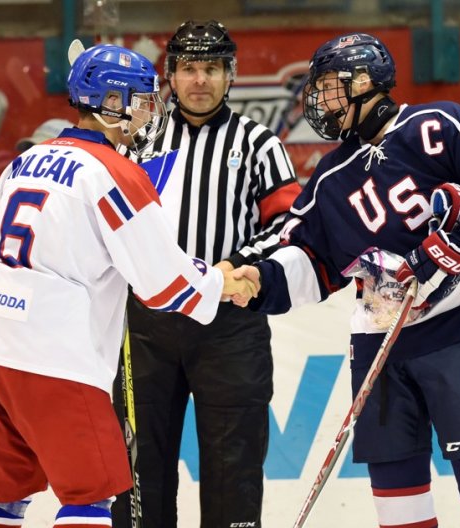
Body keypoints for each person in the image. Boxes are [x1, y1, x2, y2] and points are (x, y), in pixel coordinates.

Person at [231, 32, 460, 527]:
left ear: (365, 82)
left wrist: (447, 250)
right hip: (379, 341)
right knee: (394, 480)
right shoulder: (332, 176)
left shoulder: (437, 125)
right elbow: (314, 263)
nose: (321, 100)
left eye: (330, 86)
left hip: (458, 328)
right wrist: (261, 281)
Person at [0, 42, 253, 528]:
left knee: (2, 491)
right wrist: (222, 281)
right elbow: (166, 286)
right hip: (53, 359)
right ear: (111, 102)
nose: (149, 111)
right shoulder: (114, 173)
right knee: (90, 495)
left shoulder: (23, 163)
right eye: (141, 100)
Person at [110, 20, 301, 528]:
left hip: (230, 323)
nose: (200, 80)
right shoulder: (137, 138)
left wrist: (234, 265)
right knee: (138, 467)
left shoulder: (259, 143)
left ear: (230, 74)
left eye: (212, 68)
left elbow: (287, 224)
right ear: (170, 74)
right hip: (145, 326)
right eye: (189, 68)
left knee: (232, 465)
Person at [0, 118, 76, 251]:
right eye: (29, 149)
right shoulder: (6, 189)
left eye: (46, 153)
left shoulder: (77, 199)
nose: (31, 157)